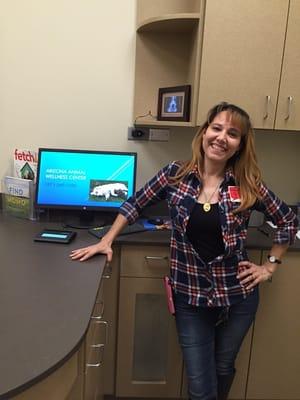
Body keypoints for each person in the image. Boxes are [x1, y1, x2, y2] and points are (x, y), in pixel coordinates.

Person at [70, 102, 298, 400]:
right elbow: (135, 204)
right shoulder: (174, 174)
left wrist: (269, 267)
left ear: (240, 145)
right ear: (204, 132)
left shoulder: (246, 184)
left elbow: (288, 221)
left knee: (224, 367)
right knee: (200, 384)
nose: (221, 137)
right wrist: (107, 239)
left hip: (237, 294)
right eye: (216, 128)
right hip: (190, 295)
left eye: (232, 133)